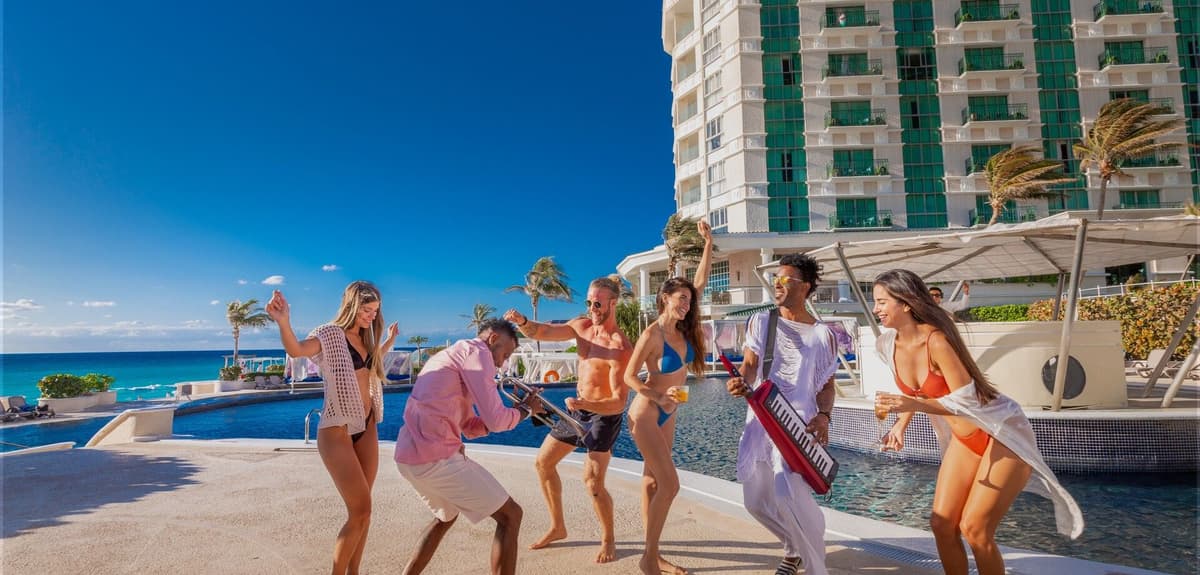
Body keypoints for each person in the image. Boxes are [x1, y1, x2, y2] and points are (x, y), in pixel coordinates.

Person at [872, 269, 1083, 575]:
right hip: (966, 440)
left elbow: (967, 402)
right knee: (942, 525)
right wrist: (900, 425)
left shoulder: (937, 341)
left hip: (1001, 433)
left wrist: (912, 403)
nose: (876, 309)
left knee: (975, 528)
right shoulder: (888, 345)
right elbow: (917, 392)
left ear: (905, 303)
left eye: (881, 302)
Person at [266, 281, 398, 575]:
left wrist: (388, 340)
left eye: (375, 311)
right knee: (360, 511)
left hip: (366, 425)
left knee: (365, 513)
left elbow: (373, 364)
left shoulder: (367, 340)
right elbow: (297, 350)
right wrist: (284, 321)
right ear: (352, 306)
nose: (371, 316)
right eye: (366, 310)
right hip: (336, 430)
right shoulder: (329, 334)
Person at [393, 319, 544, 575]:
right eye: (505, 354)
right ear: (493, 338)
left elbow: (469, 426)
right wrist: (525, 410)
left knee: (445, 518)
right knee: (511, 516)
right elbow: (496, 421)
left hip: (408, 456)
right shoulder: (478, 353)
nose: (502, 363)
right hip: (435, 459)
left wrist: (516, 412)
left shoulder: (452, 357)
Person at [502, 275, 633, 563]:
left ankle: (608, 537)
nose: (592, 308)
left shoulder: (620, 346)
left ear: (613, 303)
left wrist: (586, 402)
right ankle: (558, 527)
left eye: (597, 303)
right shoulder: (582, 326)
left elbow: (619, 401)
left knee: (593, 484)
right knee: (543, 463)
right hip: (577, 410)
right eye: (588, 302)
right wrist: (523, 321)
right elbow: (544, 331)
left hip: (603, 415)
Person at [725, 254, 838, 575]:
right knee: (756, 502)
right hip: (761, 420)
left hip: (799, 424)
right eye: (775, 279)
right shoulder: (763, 321)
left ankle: (817, 566)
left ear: (806, 287)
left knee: (788, 493)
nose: (777, 284)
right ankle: (794, 548)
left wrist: (824, 416)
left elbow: (827, 387)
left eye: (785, 279)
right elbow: (749, 368)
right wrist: (739, 382)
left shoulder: (823, 335)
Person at [622, 221, 713, 575]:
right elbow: (630, 376)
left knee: (652, 481)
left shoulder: (682, 327)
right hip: (647, 412)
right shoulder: (653, 333)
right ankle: (648, 559)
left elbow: (700, 280)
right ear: (665, 299)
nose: (687, 305)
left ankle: (653, 553)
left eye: (689, 301)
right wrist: (658, 399)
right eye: (680, 299)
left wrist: (708, 244)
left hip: (670, 410)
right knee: (670, 484)